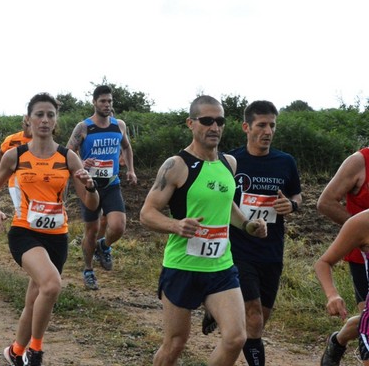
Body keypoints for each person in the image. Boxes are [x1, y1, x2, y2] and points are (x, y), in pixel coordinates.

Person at [139, 95, 267, 366]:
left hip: (220, 266)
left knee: (235, 338)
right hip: (182, 267)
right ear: (191, 123)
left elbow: (226, 203)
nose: (214, 127)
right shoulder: (177, 165)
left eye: (219, 121)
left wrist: (247, 224)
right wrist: (176, 225)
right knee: (175, 343)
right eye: (207, 121)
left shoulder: (228, 163)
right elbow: (146, 214)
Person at [0, 93, 99, 366]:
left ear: (56, 120)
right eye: (39, 114)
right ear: (28, 120)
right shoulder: (16, 155)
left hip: (57, 237)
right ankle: (35, 352)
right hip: (24, 232)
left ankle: (15, 351)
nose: (45, 120)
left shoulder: (68, 157)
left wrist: (91, 186)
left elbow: (91, 205)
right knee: (51, 285)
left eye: (50, 115)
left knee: (35, 299)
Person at [203, 101, 302, 366]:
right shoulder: (230, 162)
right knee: (254, 315)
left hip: (271, 250)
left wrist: (291, 205)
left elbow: (297, 194)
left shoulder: (285, 162)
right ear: (246, 127)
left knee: (258, 323)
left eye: (272, 125)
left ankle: (217, 310)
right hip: (237, 249)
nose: (268, 131)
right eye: (261, 125)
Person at [66, 84, 137, 290]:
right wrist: (81, 165)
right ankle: (88, 270)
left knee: (118, 226)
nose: (107, 105)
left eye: (110, 101)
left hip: (112, 183)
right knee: (93, 229)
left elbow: (126, 147)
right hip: (90, 186)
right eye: (103, 101)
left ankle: (103, 246)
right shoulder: (84, 127)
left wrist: (130, 170)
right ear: (94, 102)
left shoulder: (119, 125)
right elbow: (69, 151)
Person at [315, 146, 369, 365]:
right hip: (361, 254)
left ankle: (341, 337)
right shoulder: (359, 161)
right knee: (366, 317)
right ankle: (340, 340)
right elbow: (325, 202)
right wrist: (357, 233)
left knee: (364, 319)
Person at [315, 209, 369, 366]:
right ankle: (337, 343)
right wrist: (332, 295)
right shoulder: (362, 222)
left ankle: (338, 342)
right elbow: (323, 263)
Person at [0, 117, 32, 211]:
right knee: (21, 210)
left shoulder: (39, 141)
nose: (30, 128)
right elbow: (0, 153)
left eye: (32, 125)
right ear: (23, 124)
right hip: (15, 180)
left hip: (34, 180)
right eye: (27, 125)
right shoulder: (12, 139)